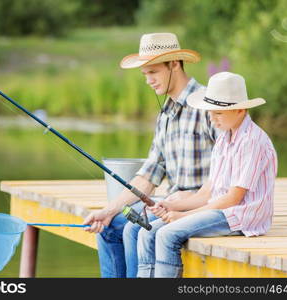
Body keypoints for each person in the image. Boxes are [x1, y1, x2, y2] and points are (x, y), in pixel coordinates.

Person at [83, 32, 218, 278]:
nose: (148, 81)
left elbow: (230, 168)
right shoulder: (164, 115)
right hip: (169, 207)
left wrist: (194, 199)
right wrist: (109, 210)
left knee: (133, 231)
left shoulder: (210, 106)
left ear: (174, 64)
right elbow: (148, 176)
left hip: (203, 210)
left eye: (153, 72)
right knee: (109, 227)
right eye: (145, 74)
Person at [137, 72, 278, 278]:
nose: (211, 118)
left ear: (240, 110)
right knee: (147, 231)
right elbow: (208, 191)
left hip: (240, 216)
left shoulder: (252, 141)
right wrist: (172, 206)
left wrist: (183, 217)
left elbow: (233, 199)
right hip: (219, 210)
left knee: (167, 234)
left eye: (218, 113)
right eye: (210, 112)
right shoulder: (223, 139)